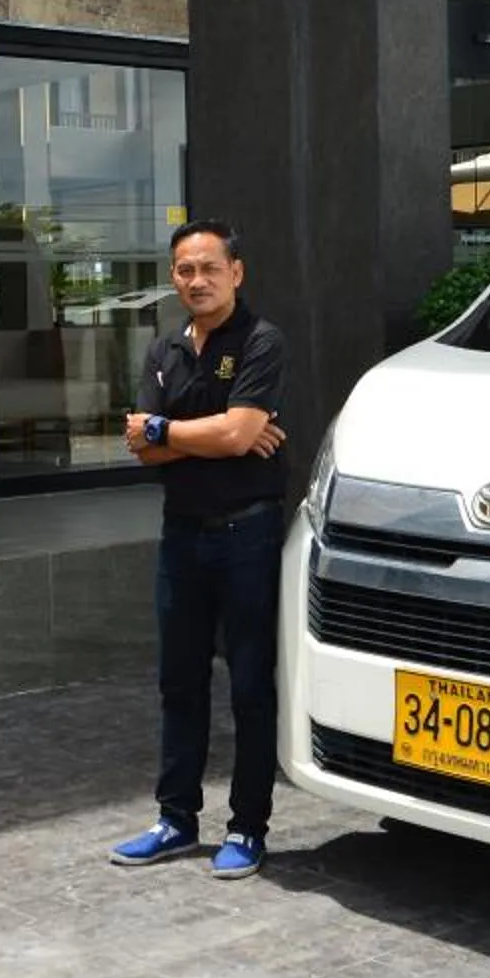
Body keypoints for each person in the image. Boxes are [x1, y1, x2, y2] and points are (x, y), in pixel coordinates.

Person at [109, 219, 290, 879]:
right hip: (180, 535)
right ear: (173, 276)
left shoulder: (262, 341)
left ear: (235, 272)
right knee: (179, 682)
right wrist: (205, 432)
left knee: (248, 686)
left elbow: (237, 435)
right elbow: (142, 445)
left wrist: (172, 429)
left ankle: (248, 827)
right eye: (185, 270)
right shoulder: (164, 350)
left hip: (248, 534)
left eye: (209, 267)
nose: (197, 280)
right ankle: (175, 820)